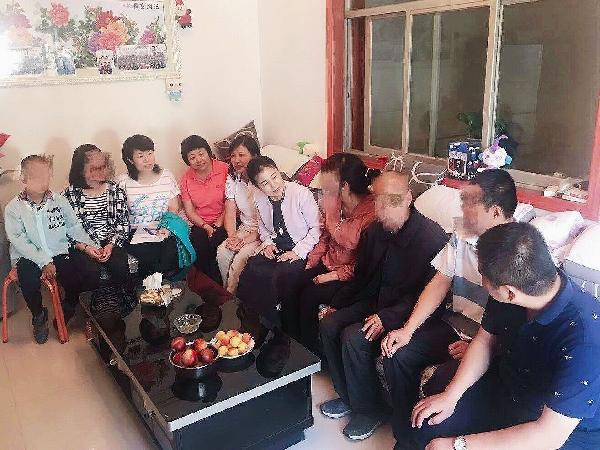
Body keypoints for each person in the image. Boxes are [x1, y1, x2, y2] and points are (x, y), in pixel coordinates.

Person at [412, 222, 600, 450]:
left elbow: (548, 436)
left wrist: (459, 445)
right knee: (428, 423)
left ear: (510, 292)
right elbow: (484, 340)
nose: (482, 283)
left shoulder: (585, 340)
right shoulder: (512, 290)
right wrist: (451, 396)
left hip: (561, 428)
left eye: (483, 277)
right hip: (510, 388)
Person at [380, 169, 517, 445]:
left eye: (470, 203)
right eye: (463, 201)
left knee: (442, 380)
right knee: (397, 353)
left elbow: (517, 321)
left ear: (495, 212)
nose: (463, 209)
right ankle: (406, 438)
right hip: (454, 325)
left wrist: (482, 348)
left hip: (489, 340)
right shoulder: (462, 232)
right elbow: (440, 281)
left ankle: (430, 439)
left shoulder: (518, 249)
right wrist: (408, 329)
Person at [318, 170, 448, 441]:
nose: (382, 209)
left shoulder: (431, 238)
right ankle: (349, 396)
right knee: (329, 323)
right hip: (375, 302)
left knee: (354, 337)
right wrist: (338, 304)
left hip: (409, 314)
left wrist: (386, 318)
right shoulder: (375, 231)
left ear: (408, 199)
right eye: (377, 200)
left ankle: (369, 411)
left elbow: (429, 297)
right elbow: (362, 277)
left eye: (390, 201)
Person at [280, 153, 376, 353]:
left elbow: (364, 264)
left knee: (309, 296)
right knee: (289, 283)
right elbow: (326, 236)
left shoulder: (371, 215)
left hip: (349, 277)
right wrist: (311, 262)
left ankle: (309, 354)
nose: (321, 182)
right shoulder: (335, 203)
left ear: (345, 186)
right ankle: (289, 345)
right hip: (327, 262)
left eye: (327, 178)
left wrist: (330, 276)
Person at [4, 155, 103, 343]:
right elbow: (19, 240)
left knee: (75, 277)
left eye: (46, 176)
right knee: (28, 281)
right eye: (37, 177)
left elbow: (74, 227)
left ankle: (68, 306)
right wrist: (44, 261)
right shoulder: (13, 208)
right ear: (24, 179)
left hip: (58, 252)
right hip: (29, 256)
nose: (43, 182)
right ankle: (38, 315)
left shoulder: (59, 201)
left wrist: (93, 246)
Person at [236, 156, 320, 324]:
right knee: (252, 267)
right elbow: (263, 227)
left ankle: (273, 324)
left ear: (278, 171)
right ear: (257, 186)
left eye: (274, 177)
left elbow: (316, 228)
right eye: (265, 183)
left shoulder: (300, 194)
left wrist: (297, 252)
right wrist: (267, 244)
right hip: (277, 246)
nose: (273, 185)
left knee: (279, 275)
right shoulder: (259, 198)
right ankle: (249, 318)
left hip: (300, 247)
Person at [63, 144, 130, 285]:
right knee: (90, 271)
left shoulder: (115, 191)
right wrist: (86, 248)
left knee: (119, 266)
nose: (101, 171)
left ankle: (121, 296)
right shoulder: (68, 196)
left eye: (103, 166)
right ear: (81, 171)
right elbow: (65, 231)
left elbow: (123, 224)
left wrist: (110, 245)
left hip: (109, 240)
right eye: (94, 168)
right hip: (82, 244)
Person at [118, 134, 181, 278]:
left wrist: (166, 228)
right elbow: (120, 215)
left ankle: (159, 286)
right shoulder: (123, 182)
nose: (147, 159)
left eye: (150, 153)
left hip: (164, 228)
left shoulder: (167, 176)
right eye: (140, 156)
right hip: (136, 233)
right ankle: (153, 287)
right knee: (150, 255)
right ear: (130, 160)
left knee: (171, 250)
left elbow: (174, 208)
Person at [179, 135, 229, 283]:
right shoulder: (185, 179)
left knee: (216, 242)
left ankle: (221, 285)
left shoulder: (225, 169)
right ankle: (209, 286)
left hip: (225, 218)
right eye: (192, 157)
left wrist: (218, 224)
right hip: (201, 222)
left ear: (208, 152)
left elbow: (231, 202)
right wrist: (206, 226)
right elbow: (189, 211)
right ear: (187, 160)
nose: (198, 160)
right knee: (197, 244)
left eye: (201, 154)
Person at [215, 134, 261, 293]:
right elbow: (230, 209)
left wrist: (245, 240)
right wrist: (232, 236)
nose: (236, 160)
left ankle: (232, 296)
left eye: (241, 155)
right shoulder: (233, 178)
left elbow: (271, 220)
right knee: (223, 251)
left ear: (254, 156)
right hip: (245, 227)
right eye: (233, 156)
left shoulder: (263, 178)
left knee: (240, 259)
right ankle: (226, 291)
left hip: (263, 232)